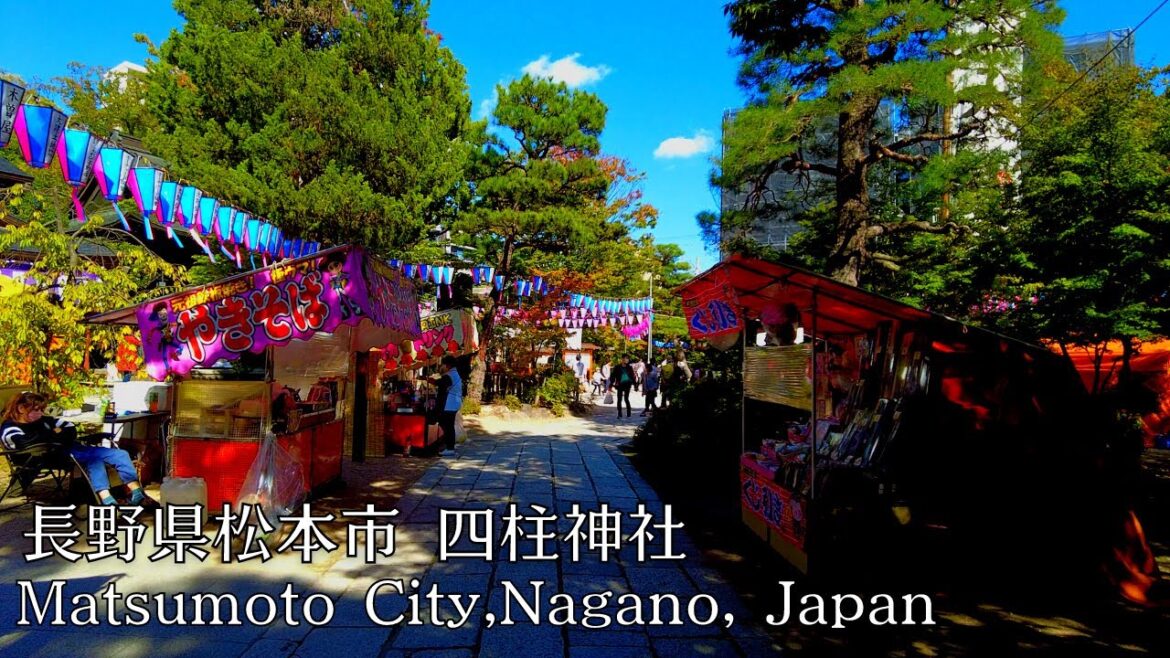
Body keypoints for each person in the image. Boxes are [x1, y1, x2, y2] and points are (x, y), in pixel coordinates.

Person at [1, 392, 159, 508]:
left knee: (120, 454)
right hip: (49, 456)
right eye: (37, 410)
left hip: (71, 448)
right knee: (93, 460)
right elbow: (24, 443)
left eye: (42, 410)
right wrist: (54, 435)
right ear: (21, 408)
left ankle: (137, 493)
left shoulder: (45, 421)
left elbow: (70, 429)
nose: (41, 413)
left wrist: (53, 435)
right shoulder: (10, 427)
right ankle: (106, 499)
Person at [436, 356, 463, 456]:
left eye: (444, 364)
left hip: (450, 403)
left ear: (448, 365)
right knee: (448, 424)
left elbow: (441, 383)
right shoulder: (455, 374)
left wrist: (432, 381)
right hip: (454, 402)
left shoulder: (450, 375)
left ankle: (450, 447)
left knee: (448, 425)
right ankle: (449, 445)